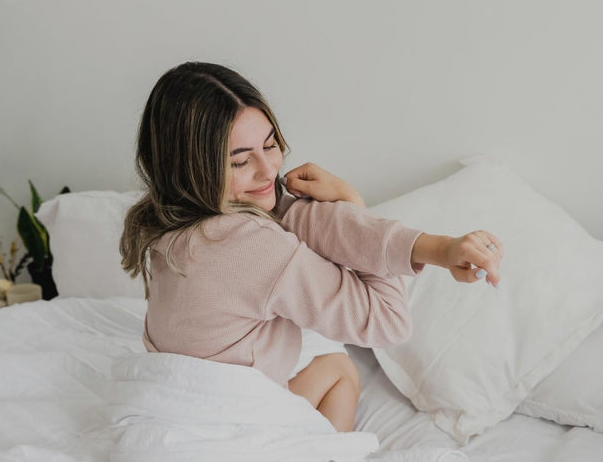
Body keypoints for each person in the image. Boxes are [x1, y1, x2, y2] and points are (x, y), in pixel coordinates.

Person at [119, 62, 503, 432]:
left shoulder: (164, 220)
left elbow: (304, 221)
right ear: (191, 167)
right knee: (339, 371)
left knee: (327, 361)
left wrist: (438, 248)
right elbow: (389, 321)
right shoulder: (252, 246)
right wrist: (351, 201)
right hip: (230, 424)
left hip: (184, 408)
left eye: (270, 146)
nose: (269, 171)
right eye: (240, 161)